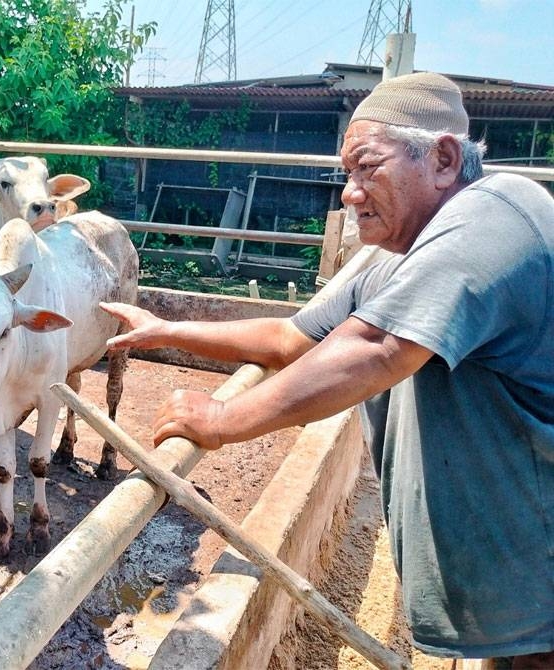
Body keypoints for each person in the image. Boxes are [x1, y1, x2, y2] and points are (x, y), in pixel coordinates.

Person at [101, 72, 554, 669]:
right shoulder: (407, 253)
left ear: (443, 159)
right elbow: (291, 339)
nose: (350, 193)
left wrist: (222, 419)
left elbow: (375, 349)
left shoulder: (492, 217)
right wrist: (166, 328)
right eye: (347, 173)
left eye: (368, 168)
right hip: (516, 570)